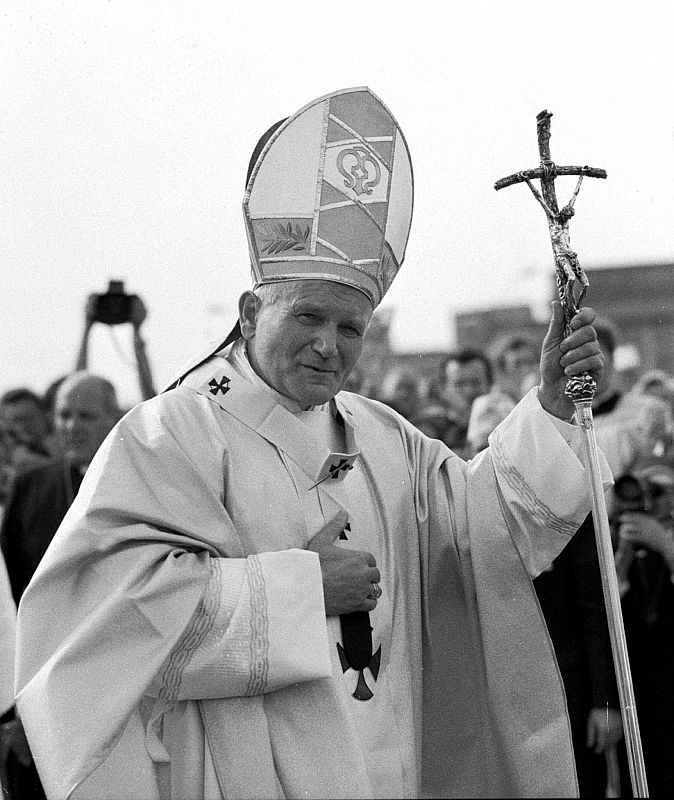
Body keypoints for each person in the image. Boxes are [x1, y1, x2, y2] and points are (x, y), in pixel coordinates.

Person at [15, 87, 608, 800]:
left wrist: (545, 408)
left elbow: (481, 534)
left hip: (391, 765)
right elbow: (100, 627)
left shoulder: (388, 440)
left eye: (351, 328)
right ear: (250, 310)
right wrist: (298, 590)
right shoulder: (167, 438)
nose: (330, 346)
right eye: (309, 317)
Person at [0, 372, 121, 799]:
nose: (72, 426)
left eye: (86, 415)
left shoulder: (138, 483)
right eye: (63, 415)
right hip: (39, 689)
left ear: (114, 417)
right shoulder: (32, 485)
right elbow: (12, 603)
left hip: (115, 685)